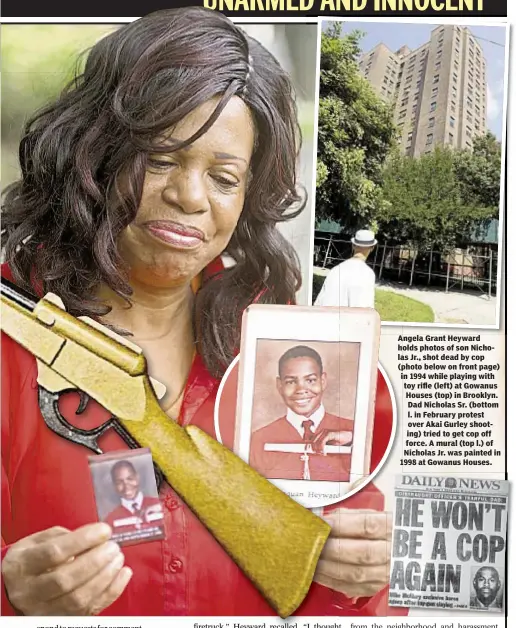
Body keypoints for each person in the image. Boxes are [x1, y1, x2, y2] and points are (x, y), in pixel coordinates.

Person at [0, 8, 401, 618]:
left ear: (248, 196)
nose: (190, 196)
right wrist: (12, 594)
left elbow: (350, 588)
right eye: (160, 159)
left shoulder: (283, 342)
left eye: (223, 176)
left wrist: (357, 573)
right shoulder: (13, 331)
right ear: (95, 156)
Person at [250, 345, 354, 481]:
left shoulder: (354, 433)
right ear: (279, 385)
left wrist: (354, 440)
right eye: (291, 382)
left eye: (310, 380)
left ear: (323, 381)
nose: (301, 389)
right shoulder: (258, 440)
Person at [315, 229, 378, 308]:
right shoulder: (368, 274)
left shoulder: (336, 270)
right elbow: (366, 309)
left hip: (328, 317)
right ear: (372, 248)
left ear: (353, 245)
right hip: (350, 319)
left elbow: (319, 302)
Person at [104, 461, 163, 533]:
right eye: (119, 482)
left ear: (137, 477)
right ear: (114, 486)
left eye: (130, 479)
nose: (126, 486)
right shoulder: (110, 520)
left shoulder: (159, 505)